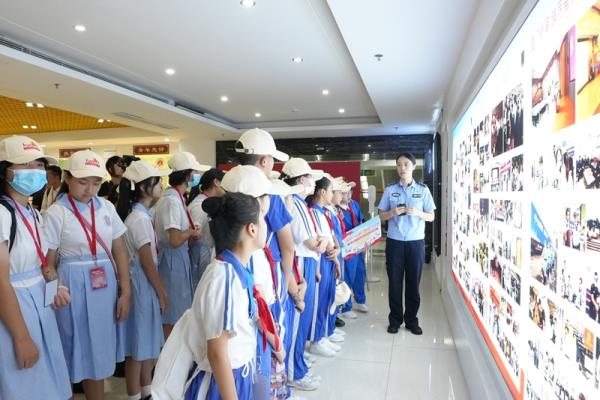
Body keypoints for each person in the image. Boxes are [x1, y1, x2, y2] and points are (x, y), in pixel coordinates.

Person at [152, 188, 281, 400]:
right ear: (251, 229)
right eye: (262, 219)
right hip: (221, 383)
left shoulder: (235, 269)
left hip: (235, 375)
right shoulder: (224, 278)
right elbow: (217, 353)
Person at [44, 149, 132, 399]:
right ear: (67, 178)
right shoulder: (57, 213)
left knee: (99, 351)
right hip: (70, 288)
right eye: (83, 182)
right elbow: (48, 263)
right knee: (71, 347)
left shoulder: (106, 207)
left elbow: (120, 250)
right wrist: (53, 292)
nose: (90, 189)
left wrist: (125, 292)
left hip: (104, 287)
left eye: (96, 183)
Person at [234, 129, 311, 393]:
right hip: (268, 280)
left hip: (236, 275)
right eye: (272, 161)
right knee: (272, 337)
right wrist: (288, 286)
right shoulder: (271, 195)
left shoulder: (229, 188)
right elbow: (287, 247)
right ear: (264, 160)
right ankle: (275, 392)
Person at [0, 135, 71, 400]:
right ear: (5, 171)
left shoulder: (32, 212)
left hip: (38, 307)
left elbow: (40, 263)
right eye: (24, 165)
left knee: (45, 385)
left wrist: (55, 286)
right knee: (24, 387)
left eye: (39, 165)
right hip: (14, 311)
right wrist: (21, 337)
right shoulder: (2, 214)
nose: (35, 171)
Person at [117, 160, 170, 400]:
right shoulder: (138, 219)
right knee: (137, 347)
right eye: (157, 183)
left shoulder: (143, 216)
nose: (160, 187)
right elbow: (147, 263)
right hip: (141, 284)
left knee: (146, 343)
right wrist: (162, 292)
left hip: (144, 283)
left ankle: (147, 391)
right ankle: (134, 395)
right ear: (143, 187)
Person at [378, 152, 435, 335]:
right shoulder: (390, 190)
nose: (402, 168)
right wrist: (392, 213)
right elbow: (381, 215)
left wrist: (418, 213)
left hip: (415, 243)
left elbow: (431, 216)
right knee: (394, 283)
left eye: (406, 164)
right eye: (399, 165)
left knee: (413, 283)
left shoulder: (423, 190)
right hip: (394, 242)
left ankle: (411, 320)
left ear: (413, 167)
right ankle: (395, 320)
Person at [282, 157, 327, 391]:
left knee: (302, 319)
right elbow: (313, 243)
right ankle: (293, 372)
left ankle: (297, 361)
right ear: (301, 180)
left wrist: (321, 242)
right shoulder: (296, 205)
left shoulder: (300, 204)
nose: (313, 183)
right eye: (310, 178)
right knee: (297, 320)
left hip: (306, 262)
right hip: (300, 263)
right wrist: (322, 242)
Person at [153, 152, 208, 338]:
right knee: (173, 313)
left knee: (180, 308)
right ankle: (169, 351)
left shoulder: (177, 198)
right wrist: (191, 233)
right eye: (194, 172)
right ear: (187, 175)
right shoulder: (171, 201)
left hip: (178, 258)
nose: (196, 176)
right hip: (172, 259)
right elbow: (175, 240)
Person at [306, 176, 342, 358]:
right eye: (331, 191)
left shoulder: (322, 213)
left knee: (327, 298)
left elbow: (331, 236)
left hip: (328, 259)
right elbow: (322, 241)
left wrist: (336, 249)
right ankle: (316, 339)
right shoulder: (314, 212)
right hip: (322, 260)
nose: (333, 194)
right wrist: (335, 257)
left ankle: (322, 334)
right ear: (322, 192)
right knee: (319, 302)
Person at [187, 168, 225, 289]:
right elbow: (193, 236)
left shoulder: (208, 203)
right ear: (216, 182)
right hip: (200, 255)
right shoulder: (199, 206)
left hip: (205, 253)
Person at [338, 182, 368, 318]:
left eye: (350, 192)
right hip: (346, 247)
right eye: (345, 193)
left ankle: (360, 300)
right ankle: (346, 306)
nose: (349, 195)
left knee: (360, 273)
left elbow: (361, 221)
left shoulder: (354, 204)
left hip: (358, 245)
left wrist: (365, 240)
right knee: (348, 276)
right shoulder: (336, 209)